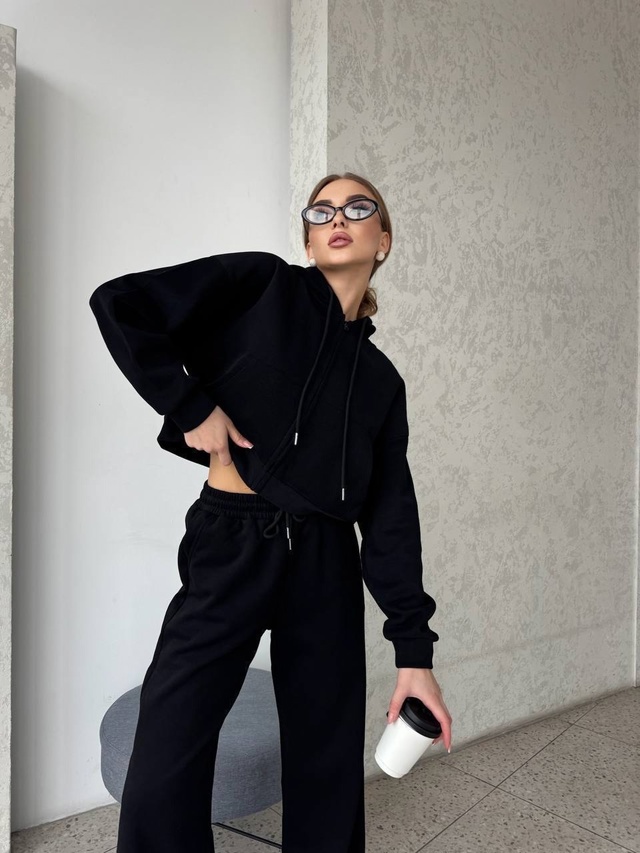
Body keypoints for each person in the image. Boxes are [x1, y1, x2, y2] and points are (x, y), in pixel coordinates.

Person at [89, 171, 453, 853]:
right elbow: (119, 303)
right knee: (166, 750)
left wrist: (414, 654)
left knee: (327, 761)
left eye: (357, 207)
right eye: (321, 210)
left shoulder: (381, 382)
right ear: (309, 240)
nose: (337, 217)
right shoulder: (262, 286)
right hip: (232, 538)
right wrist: (190, 405)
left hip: (324, 561)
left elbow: (390, 518)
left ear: (383, 239)